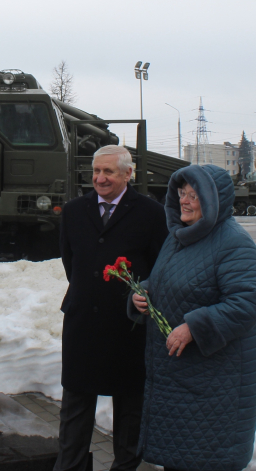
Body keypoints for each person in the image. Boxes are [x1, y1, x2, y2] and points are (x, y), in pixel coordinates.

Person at [129, 164, 256, 471]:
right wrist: (143, 293)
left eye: (194, 195)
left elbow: (247, 302)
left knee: (204, 459)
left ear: (214, 200)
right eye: (181, 193)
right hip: (181, 378)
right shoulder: (179, 237)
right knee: (180, 457)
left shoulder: (234, 243)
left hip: (215, 382)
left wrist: (194, 326)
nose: (184, 201)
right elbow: (170, 281)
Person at [55, 145, 168, 471]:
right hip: (82, 325)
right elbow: (71, 263)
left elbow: (160, 268)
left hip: (127, 329)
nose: (100, 178)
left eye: (108, 172)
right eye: (96, 171)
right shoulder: (74, 211)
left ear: (128, 174)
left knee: (130, 411)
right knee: (75, 410)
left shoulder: (151, 213)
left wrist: (139, 296)